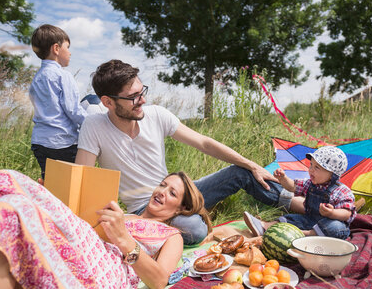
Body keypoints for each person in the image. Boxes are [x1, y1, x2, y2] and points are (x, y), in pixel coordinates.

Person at [75, 59, 299, 245]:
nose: (142, 99)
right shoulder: (94, 126)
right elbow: (81, 176)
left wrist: (253, 165)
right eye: (133, 96)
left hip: (175, 194)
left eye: (141, 91)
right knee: (194, 230)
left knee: (242, 171)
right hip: (146, 208)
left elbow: (204, 143)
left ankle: (299, 205)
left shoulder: (156, 115)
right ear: (108, 102)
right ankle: (181, 217)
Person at [0, 169, 207, 289]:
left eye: (172, 193)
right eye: (163, 184)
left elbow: (160, 280)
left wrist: (124, 240)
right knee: (2, 183)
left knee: (12, 207)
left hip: (106, 271)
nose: (162, 191)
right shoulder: (124, 213)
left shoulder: (170, 234)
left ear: (182, 208)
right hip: (79, 249)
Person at [244, 146, 356, 240]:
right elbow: (292, 186)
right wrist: (283, 179)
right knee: (291, 218)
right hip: (309, 220)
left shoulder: (342, 191)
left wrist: (332, 213)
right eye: (311, 165)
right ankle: (265, 226)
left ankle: (303, 235)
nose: (311, 170)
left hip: (328, 227)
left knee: (335, 227)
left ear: (332, 175)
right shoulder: (310, 184)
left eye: (317, 168)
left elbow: (347, 213)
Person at [29, 24, 87, 179]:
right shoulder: (63, 76)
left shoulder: (37, 78)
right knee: (71, 187)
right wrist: (93, 121)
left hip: (40, 142)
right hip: (62, 142)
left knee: (51, 185)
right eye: (67, 47)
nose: (69, 53)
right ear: (56, 49)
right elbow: (72, 110)